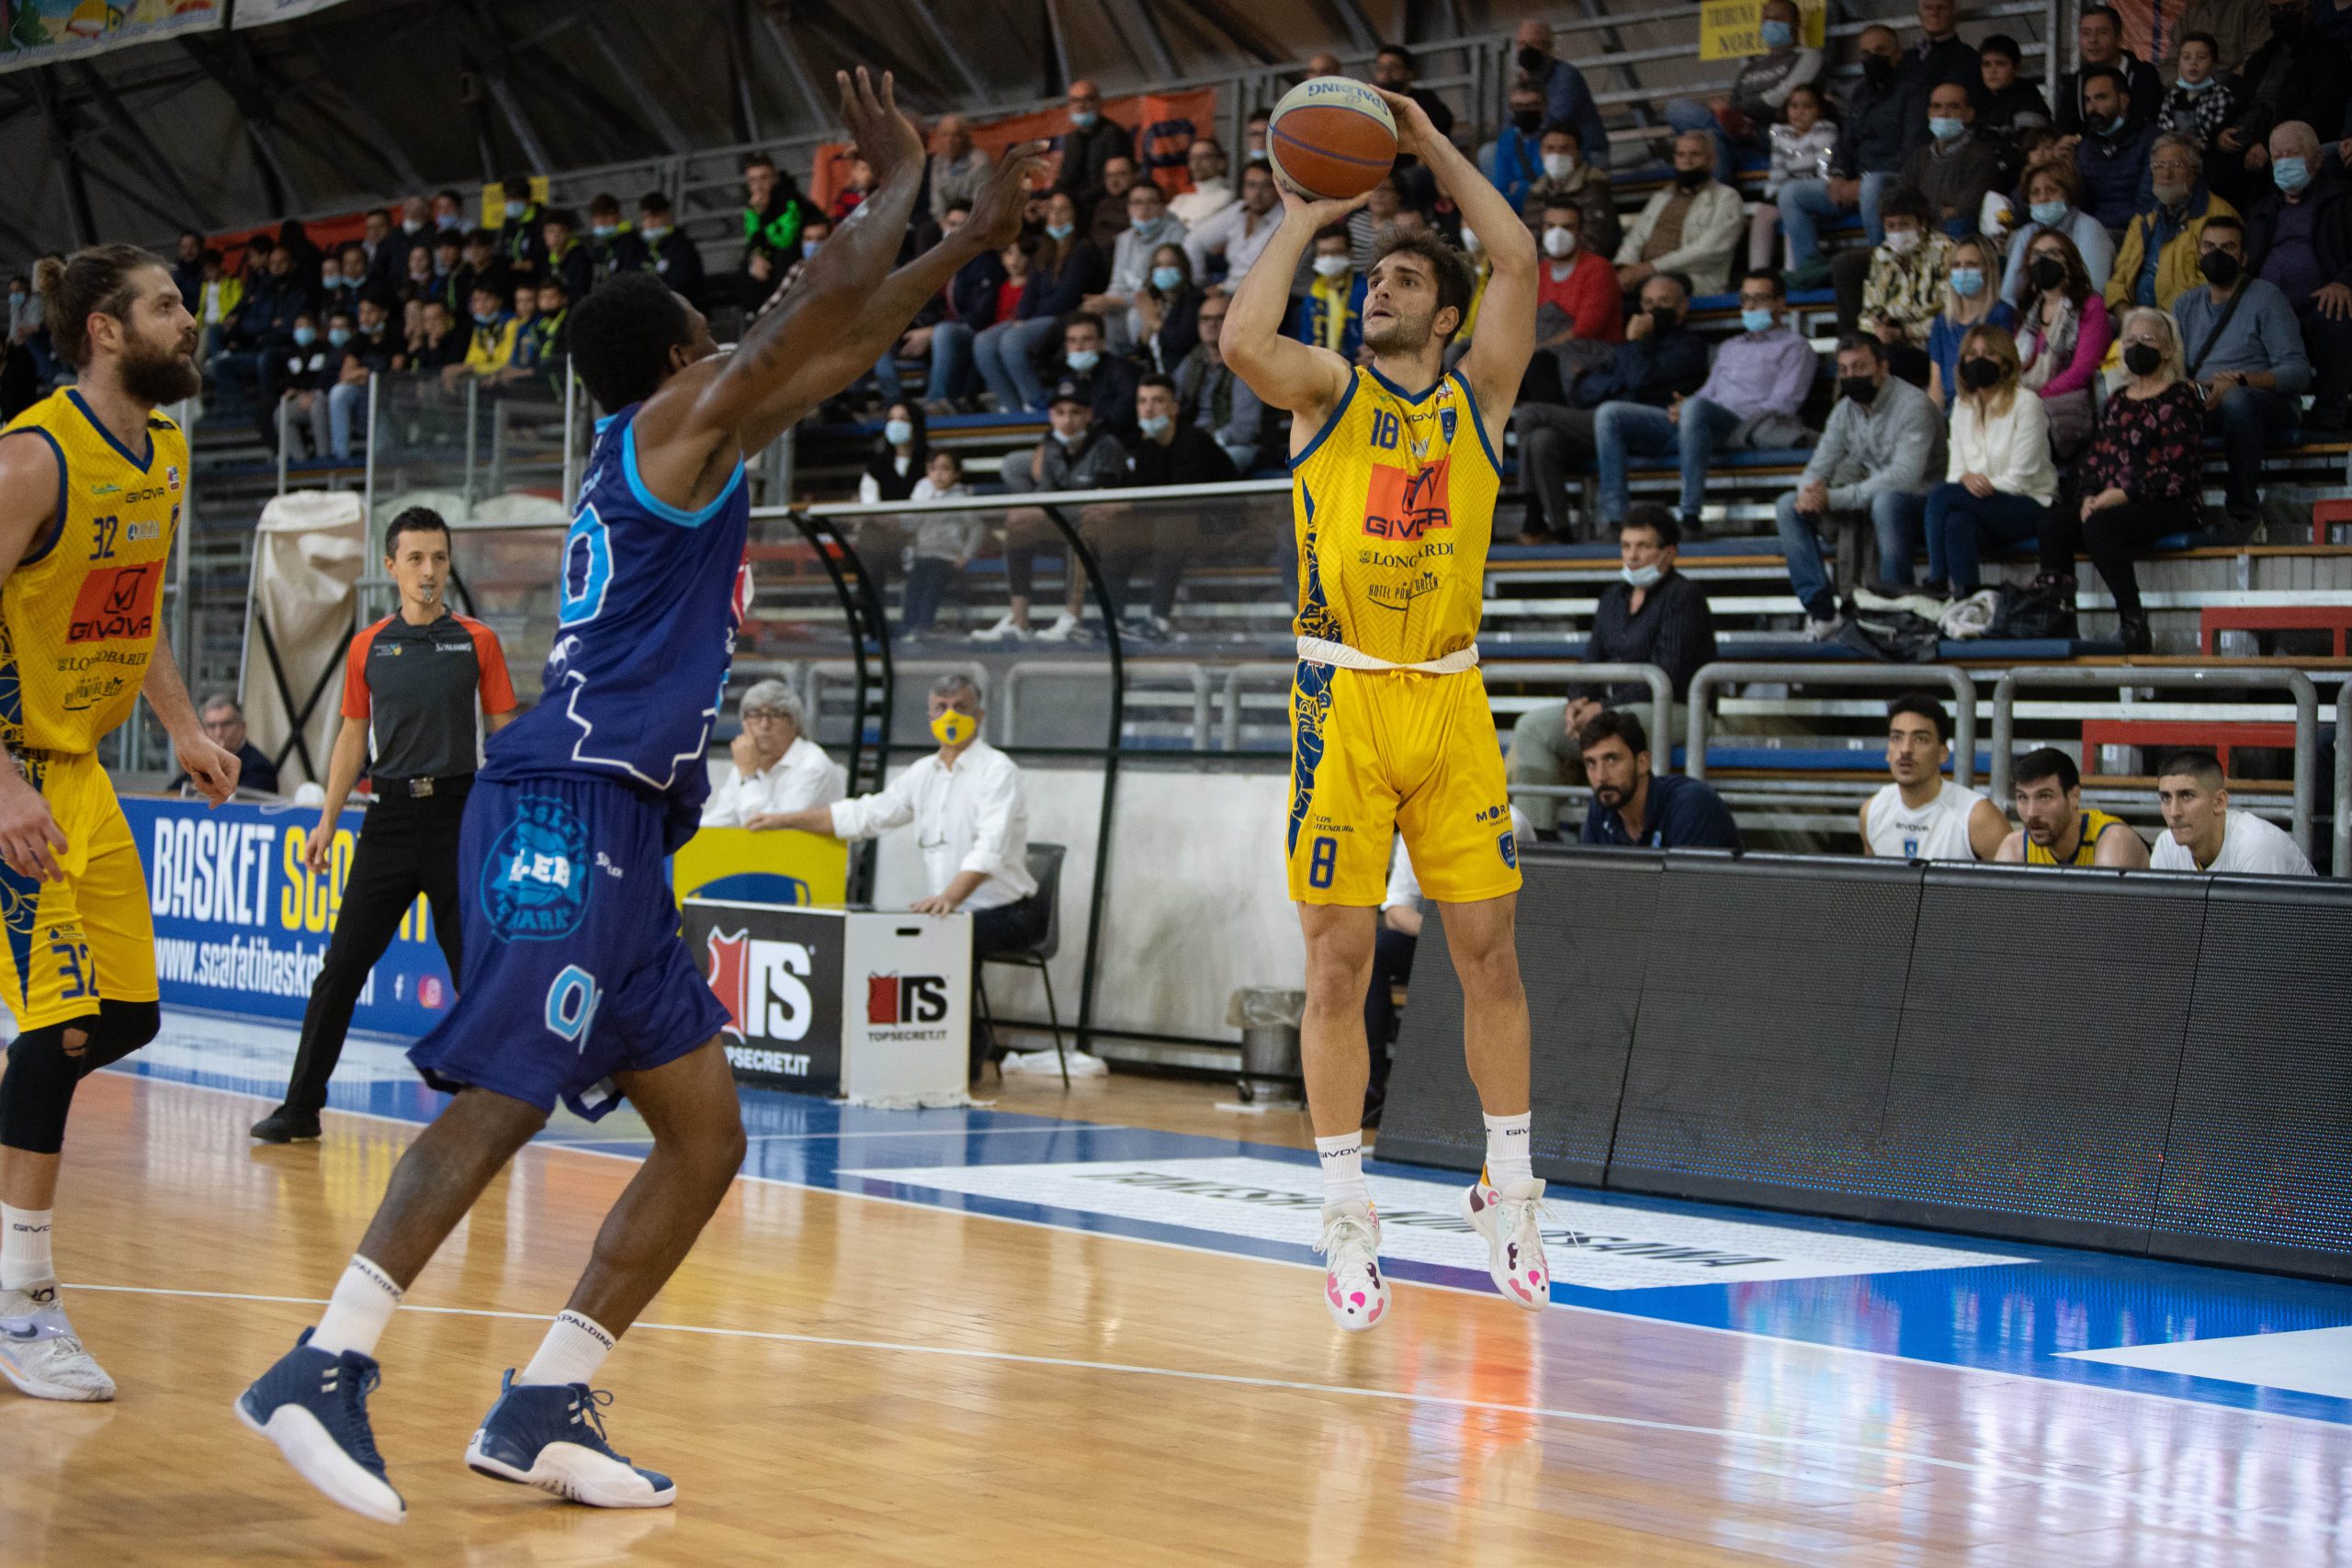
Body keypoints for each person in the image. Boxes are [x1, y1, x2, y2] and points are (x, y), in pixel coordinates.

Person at [237, 73, 1044, 1522]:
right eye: (717, 338)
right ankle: (325, 1358)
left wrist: (960, 243)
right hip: (562, 803)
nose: (742, 349)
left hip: (627, 824)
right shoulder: (677, 431)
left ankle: (543, 1398)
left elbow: (836, 345)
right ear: (681, 353)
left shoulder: (691, 434)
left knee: (708, 1132)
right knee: (505, 1094)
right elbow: (812, 320)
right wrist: (898, 185)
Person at [1218, 81, 1553, 1332]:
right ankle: (1347, 1212)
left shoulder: (1481, 395)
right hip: (1341, 703)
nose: (1381, 295)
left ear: (1447, 313)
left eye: (1403, 283)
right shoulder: (1325, 393)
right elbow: (1240, 343)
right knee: (1337, 962)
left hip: (1452, 700)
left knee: (1489, 953)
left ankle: (1508, 1186)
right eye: (1375, 284)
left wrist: (1429, 148)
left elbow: (1515, 253)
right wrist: (1307, 215)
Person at [0, 246, 235, 1402]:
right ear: (104, 330)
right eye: (165, 305)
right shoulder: (33, 457)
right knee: (58, 1032)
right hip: (10, 778)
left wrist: (185, 729)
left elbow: (127, 609)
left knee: (127, 1016)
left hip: (80, 775)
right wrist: (2, 784)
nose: (186, 321)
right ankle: (24, 1307)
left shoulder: (166, 450)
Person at [248, 511, 517, 1145]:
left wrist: (515, 816)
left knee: (473, 970)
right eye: (416, 558)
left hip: (459, 817)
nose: (429, 570)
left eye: (439, 558)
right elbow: (350, 736)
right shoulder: (368, 645)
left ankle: (495, 1107)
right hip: (388, 820)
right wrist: (326, 821)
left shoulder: (477, 641)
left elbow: (506, 734)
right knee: (341, 967)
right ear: (391, 566)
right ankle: (300, 1106)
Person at [765, 675, 1046, 1079]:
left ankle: (960, 1062)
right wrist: (785, 819)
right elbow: (866, 815)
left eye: (961, 707)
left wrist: (950, 898)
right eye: (941, 706)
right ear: (929, 715)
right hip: (951, 912)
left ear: (980, 715)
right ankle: (933, 1048)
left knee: (943, 936)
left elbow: (992, 848)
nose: (951, 715)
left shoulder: (997, 771)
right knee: (928, 932)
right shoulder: (922, 773)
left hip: (1010, 911)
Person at [1593, 268, 1816, 535]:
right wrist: (1684, 406)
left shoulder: (1795, 346)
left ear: (1781, 302)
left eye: (1761, 298)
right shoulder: (1731, 345)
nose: (1751, 305)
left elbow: (1784, 404)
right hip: (1700, 422)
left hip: (1744, 425)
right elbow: (1708, 392)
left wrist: (1699, 408)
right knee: (1610, 413)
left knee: (1696, 409)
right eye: (1745, 299)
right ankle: (1616, 518)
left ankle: (1689, 516)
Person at [2036, 308, 2204, 655]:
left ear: (2169, 349)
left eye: (2148, 339)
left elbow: (2179, 471)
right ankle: (2057, 616)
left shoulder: (2181, 397)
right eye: (2130, 340)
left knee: (2100, 526)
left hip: (2169, 502)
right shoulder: (2116, 401)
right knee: (2055, 521)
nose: (2137, 346)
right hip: (2110, 501)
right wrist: (2087, 495)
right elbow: (2095, 459)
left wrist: (2122, 495)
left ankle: (2133, 621)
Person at [1510, 272, 1709, 544]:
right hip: (1605, 425)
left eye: (1663, 302)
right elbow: (1585, 389)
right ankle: (1562, 534)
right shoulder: (1628, 346)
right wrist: (1623, 379)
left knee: (1530, 413)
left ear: (1683, 306)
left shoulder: (1690, 346)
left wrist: (1635, 345)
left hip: (1650, 427)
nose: (1653, 310)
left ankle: (1532, 517)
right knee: (1541, 439)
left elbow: (1639, 381)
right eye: (1648, 303)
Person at [1778, 336, 1942, 633]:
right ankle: (1823, 611)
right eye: (1844, 370)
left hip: (1918, 505)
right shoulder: (1845, 410)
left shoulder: (1914, 405)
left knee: (1887, 501)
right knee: (1787, 506)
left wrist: (1833, 498)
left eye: (1860, 367)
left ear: (1882, 367)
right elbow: (1819, 465)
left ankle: (1893, 608)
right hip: (1864, 500)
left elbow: (1904, 478)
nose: (1851, 376)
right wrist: (1808, 493)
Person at [2176, 212, 2312, 532]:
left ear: (2244, 256)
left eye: (2227, 247)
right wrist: (2196, 390)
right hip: (2203, 397)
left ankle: (2243, 512)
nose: (2216, 254)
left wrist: (2238, 382)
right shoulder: (2185, 305)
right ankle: (2173, 509)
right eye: (2208, 246)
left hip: (2262, 401)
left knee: (2237, 402)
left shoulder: (2267, 298)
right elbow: (2172, 369)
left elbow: (2297, 372)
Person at [975, 382, 1129, 642]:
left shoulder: (1107, 446)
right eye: (1060, 412)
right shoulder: (1051, 447)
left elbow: (1101, 506)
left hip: (1110, 536)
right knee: (1018, 526)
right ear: (1051, 416)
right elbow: (1044, 496)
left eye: (1075, 412)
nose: (1067, 420)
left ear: (1089, 415)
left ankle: (1073, 618)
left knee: (1086, 528)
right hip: (1068, 525)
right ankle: (1019, 619)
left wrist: (1044, 512)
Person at [1101, 372, 1238, 638]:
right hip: (1171, 528)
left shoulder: (1194, 440)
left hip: (1220, 526)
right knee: (1115, 532)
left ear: (1174, 407)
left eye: (1157, 401)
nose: (1148, 409)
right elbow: (1140, 495)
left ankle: (1158, 621)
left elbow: (1181, 500)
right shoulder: (1147, 447)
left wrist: (1127, 506)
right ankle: (1114, 620)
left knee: (1171, 523)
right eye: (1142, 402)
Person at [1922, 324, 2055, 597]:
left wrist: (1974, 485)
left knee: (1943, 496)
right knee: (1956, 523)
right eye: (1971, 354)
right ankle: (1968, 603)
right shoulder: (1961, 406)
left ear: (2006, 363)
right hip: (1976, 506)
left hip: (2027, 503)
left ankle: (1936, 579)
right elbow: (1956, 472)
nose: (1978, 360)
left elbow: (2019, 478)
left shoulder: (2027, 403)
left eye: (1989, 354)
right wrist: (1966, 482)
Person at [1778, 25, 1917, 283]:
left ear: (1897, 53)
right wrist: (1839, 176)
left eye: (1880, 50)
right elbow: (1844, 143)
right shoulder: (1861, 92)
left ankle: (1883, 263)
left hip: (1894, 180)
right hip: (1855, 182)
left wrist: (1861, 183)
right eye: (1865, 52)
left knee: (1872, 185)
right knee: (1791, 193)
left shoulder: (1913, 90)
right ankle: (1811, 268)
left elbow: (1913, 151)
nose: (1872, 58)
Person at [2245, 118, 2352, 430]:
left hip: (2324, 305)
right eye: (2277, 156)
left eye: (2292, 153)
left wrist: (2345, 283)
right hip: (2273, 310)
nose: (2283, 162)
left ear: (2317, 159)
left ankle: (2330, 414)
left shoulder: (2343, 200)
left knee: (2335, 316)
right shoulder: (2262, 211)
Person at [974, 192, 1106, 412]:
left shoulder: (1083, 250)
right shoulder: (1044, 251)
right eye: (1052, 210)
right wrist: (1024, 316)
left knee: (1012, 341)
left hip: (1068, 317)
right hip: (1038, 318)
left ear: (1076, 216)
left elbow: (1066, 298)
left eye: (1064, 210)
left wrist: (1027, 320)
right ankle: (1011, 407)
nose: (1057, 216)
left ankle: (1035, 401)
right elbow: (1029, 295)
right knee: (983, 342)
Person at [1579, 507, 1717, 711]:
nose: (1632, 556)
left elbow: (1668, 675)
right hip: (1611, 708)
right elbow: (1590, 661)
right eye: (1626, 546)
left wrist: (1604, 707)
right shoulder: (1611, 597)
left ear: (1669, 554)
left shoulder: (1684, 596)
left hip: (1672, 709)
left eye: (1642, 546)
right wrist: (1579, 701)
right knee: (1532, 728)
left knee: (1613, 728)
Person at [2213, 0, 2350, 188]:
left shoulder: (2330, 55)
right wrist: (2222, 131)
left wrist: (2269, 145)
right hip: (2245, 137)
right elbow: (2239, 102)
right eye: (2274, 9)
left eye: (2289, 7)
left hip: (2288, 144)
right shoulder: (2261, 57)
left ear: (2306, 10)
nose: (2282, 14)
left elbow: (2322, 112)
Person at [1861, 692, 2006, 861]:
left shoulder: (1979, 817)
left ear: (1943, 753)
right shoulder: (1872, 811)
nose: (1905, 749)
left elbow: (2015, 884)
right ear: (1888, 752)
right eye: (1897, 737)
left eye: (1921, 739)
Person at [1577, 709, 1743, 849]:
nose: (1600, 776)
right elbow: (1589, 885)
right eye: (1591, 763)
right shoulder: (1602, 806)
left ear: (1642, 763)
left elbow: (1691, 886)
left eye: (1612, 760)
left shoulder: (1691, 805)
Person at [2012, 228, 2112, 458]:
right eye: (2036, 255)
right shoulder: (2028, 312)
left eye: (2053, 254)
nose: (2043, 261)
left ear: (2070, 263)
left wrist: (2036, 396)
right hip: (2028, 404)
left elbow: (2082, 370)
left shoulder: (2090, 305)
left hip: (2067, 409)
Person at [2109, 137, 2238, 311]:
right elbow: (2118, 282)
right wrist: (2127, 317)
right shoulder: (2143, 220)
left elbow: (2214, 289)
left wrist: (2163, 326)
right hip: (2136, 322)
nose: (2166, 174)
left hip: (2185, 326)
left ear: (2194, 173)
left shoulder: (2219, 217)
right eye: (2159, 166)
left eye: (2176, 165)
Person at [1614, 131, 1747, 299]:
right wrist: (1625, 268)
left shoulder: (1727, 197)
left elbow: (1709, 250)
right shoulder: (1661, 197)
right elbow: (1635, 239)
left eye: (1695, 155)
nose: (1687, 161)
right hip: (1644, 273)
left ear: (1711, 160)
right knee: (1600, 284)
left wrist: (1651, 268)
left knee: (1660, 288)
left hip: (1694, 278)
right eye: (1681, 154)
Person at [698, 680, 846, 827]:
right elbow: (720, 822)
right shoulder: (746, 763)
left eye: (776, 715)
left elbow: (771, 832)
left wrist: (750, 777)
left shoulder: (812, 766)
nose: (764, 725)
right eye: (755, 714)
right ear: (743, 724)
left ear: (795, 725)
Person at [2151, 750, 2316, 874]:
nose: (2174, 812)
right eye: (2166, 797)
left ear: (2219, 802)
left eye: (2187, 796)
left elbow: (2256, 920)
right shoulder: (2166, 845)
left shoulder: (2256, 844)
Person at [1858, 186, 1954, 386]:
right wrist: (1877, 330)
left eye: (1904, 224)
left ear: (1921, 222)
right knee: (1855, 357)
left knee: (1884, 363)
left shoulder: (1945, 250)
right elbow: (1868, 313)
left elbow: (1950, 315)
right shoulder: (1881, 256)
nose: (1897, 232)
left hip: (1929, 346)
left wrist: (1904, 333)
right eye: (1891, 226)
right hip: (1888, 344)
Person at [1996, 747, 2148, 865]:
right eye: (2023, 798)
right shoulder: (2016, 848)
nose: (2031, 813)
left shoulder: (2114, 841)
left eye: (2044, 797)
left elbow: (2103, 906)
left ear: (2074, 796)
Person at [1530, 198, 1622, 387]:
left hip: (1593, 354)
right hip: (1547, 354)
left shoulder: (1599, 269)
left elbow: (1586, 330)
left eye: (1567, 227)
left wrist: (1534, 351)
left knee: (1535, 363)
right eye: (1550, 226)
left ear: (1580, 232)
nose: (1557, 234)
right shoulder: (1539, 271)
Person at [1174, 292, 1268, 473]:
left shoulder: (1245, 362)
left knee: (1204, 465)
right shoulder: (1192, 360)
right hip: (1194, 443)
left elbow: (1245, 428)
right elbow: (1172, 402)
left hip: (1234, 445)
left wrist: (1203, 443)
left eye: (1220, 318)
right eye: (1205, 319)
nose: (1211, 324)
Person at [1999, 162, 2115, 307]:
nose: (2043, 198)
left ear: (2068, 194)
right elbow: (2009, 294)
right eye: (2035, 192)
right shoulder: (2026, 233)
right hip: (2035, 316)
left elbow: (2092, 290)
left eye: (2051, 190)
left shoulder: (2090, 228)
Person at [899, 449, 986, 639]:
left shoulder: (962, 499)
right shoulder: (923, 493)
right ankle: (907, 628)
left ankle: (924, 626)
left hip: (947, 557)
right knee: (912, 589)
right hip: (922, 554)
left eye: (945, 468)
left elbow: (977, 528)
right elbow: (909, 524)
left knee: (932, 587)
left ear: (956, 474)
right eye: (933, 469)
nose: (938, 474)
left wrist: (966, 555)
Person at [1904, 81, 2006, 235]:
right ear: (1929, 113)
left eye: (1953, 106)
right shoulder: (1918, 157)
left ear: (1969, 114)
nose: (1943, 113)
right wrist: (1941, 210)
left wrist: (1922, 211)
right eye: (1936, 106)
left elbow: (1965, 210)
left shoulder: (1981, 157)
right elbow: (1902, 202)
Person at [1754, 83, 1837, 271]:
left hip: (1819, 193)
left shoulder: (1826, 132)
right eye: (1794, 106)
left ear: (1819, 110)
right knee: (1763, 215)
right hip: (1787, 192)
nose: (1799, 112)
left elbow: (1825, 171)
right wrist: (1773, 198)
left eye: (1807, 106)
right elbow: (1777, 172)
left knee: (1793, 208)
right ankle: (1758, 272)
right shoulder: (1781, 134)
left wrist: (1790, 196)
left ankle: (1795, 271)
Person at [1928, 232, 2017, 409]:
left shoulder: (2001, 314)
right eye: (1956, 265)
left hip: (1986, 407)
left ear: (1988, 269)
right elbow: (1936, 386)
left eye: (1971, 265)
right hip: (1948, 410)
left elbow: (2004, 376)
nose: (1962, 271)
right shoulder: (1942, 322)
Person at [1512, 18, 1612, 169]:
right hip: (1539, 148)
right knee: (1489, 152)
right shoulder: (1519, 80)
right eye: (1522, 44)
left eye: (1534, 43)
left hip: (1581, 150)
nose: (1527, 49)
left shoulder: (1566, 75)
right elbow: (1510, 121)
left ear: (1549, 47)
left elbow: (1556, 120)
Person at [2054, 5, 2163, 136]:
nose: (2093, 40)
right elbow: (2064, 130)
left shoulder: (2143, 74)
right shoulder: (2075, 82)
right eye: (2086, 33)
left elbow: (2146, 122)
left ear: (2119, 38)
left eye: (2102, 32)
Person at [1521, 121, 1620, 263]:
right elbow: (1527, 240)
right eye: (1550, 148)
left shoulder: (1595, 185)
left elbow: (1595, 241)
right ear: (1541, 152)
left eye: (1564, 149)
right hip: (1543, 271)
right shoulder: (1537, 190)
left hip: (1585, 267)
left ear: (1578, 152)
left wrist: (1559, 267)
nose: (1557, 155)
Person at [2076, 69, 2161, 230]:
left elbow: (2148, 204)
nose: (2092, 108)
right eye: (2088, 100)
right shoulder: (2085, 148)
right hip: (2093, 233)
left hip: (2137, 233)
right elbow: (2079, 204)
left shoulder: (2152, 141)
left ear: (2123, 101)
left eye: (2101, 98)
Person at [1183, 158, 1283, 287]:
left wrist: (1221, 289)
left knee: (1214, 307)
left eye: (1267, 185)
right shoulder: (1238, 211)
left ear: (1279, 189)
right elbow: (1194, 240)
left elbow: (1271, 277)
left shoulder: (1287, 219)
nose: (1257, 193)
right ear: (1242, 188)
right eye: (1251, 185)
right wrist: (1199, 283)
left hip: (1274, 295)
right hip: (1232, 292)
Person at [173, 695, 280, 797]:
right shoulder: (201, 763)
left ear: (242, 727)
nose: (219, 732)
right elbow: (172, 793)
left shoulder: (259, 768)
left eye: (226, 724)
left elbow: (237, 804)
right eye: (211, 726)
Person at [1054, 79, 1136, 206]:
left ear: (1100, 102)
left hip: (1106, 206)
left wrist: (1073, 200)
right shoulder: (1072, 139)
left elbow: (1114, 182)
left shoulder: (1114, 135)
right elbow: (1066, 179)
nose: (1081, 106)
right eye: (1075, 100)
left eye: (1087, 99)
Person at [2157, 32, 2241, 154]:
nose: (2193, 63)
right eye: (2186, 57)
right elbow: (2162, 133)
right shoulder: (2171, 97)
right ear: (2179, 62)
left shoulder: (2221, 96)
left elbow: (2213, 136)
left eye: (2201, 57)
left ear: (2214, 63)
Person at [1294, 227, 1370, 361]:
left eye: (1336, 252)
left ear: (1350, 254)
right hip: (1321, 369)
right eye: (1323, 253)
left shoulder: (1366, 290)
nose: (1329, 258)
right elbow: (1306, 343)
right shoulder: (1313, 295)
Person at [1974, 34, 2054, 161]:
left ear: (2016, 68)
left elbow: (2027, 149)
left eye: (2000, 64)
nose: (1992, 71)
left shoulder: (2029, 99)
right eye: (1986, 64)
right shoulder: (1977, 99)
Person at [1168, 139, 1234, 227]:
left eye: (1204, 157)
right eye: (1192, 157)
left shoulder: (1228, 197)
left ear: (1221, 163)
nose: (1196, 163)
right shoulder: (1180, 200)